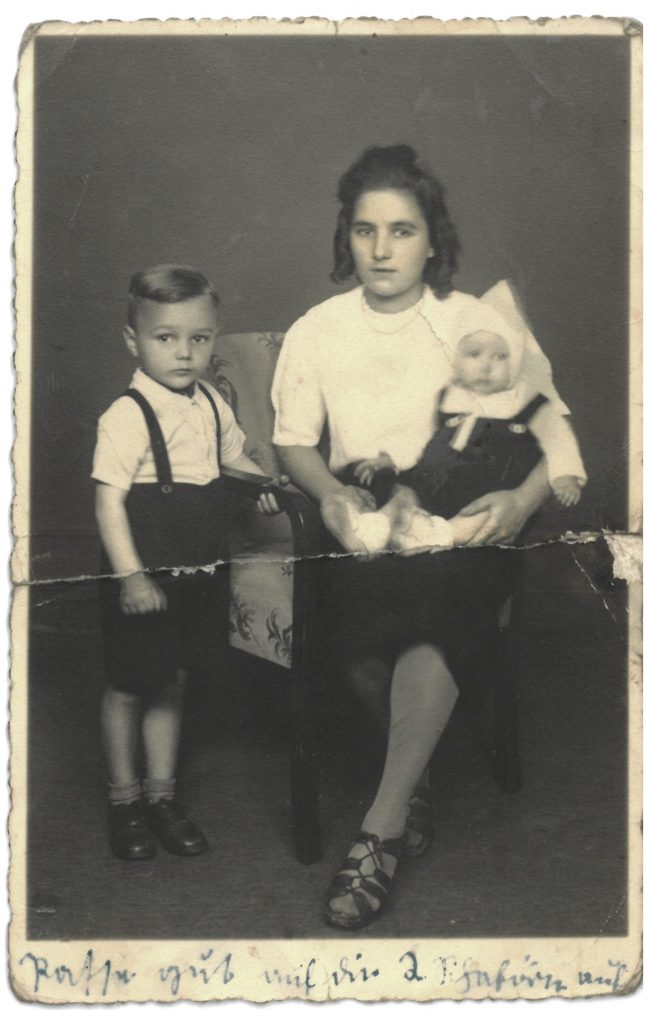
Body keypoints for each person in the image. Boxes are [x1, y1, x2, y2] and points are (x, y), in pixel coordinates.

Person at [271, 145, 579, 930]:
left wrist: (520, 494)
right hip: (369, 522)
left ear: (432, 239)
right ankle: (414, 787)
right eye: (366, 230)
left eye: (401, 231)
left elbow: (551, 429)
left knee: (441, 600)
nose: (382, 249)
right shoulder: (318, 328)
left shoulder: (474, 322)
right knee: (365, 627)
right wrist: (334, 493)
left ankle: (377, 831)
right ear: (347, 236)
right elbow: (294, 442)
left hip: (466, 524)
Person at [93, 264, 277, 861]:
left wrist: (259, 485)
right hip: (142, 574)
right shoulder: (126, 414)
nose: (183, 353)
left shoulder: (210, 404)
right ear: (133, 342)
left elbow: (233, 460)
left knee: (172, 679)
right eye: (165, 338)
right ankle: (124, 802)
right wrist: (131, 576)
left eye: (198, 339)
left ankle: (161, 797)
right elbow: (109, 501)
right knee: (128, 685)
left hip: (197, 569)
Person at [331, 299, 587, 554]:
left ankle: (440, 535)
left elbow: (560, 438)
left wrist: (565, 475)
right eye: (474, 354)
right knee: (402, 493)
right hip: (431, 484)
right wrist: (391, 458)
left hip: (483, 490)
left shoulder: (527, 402)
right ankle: (376, 529)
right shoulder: (449, 397)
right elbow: (418, 435)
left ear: (516, 361)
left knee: (480, 516)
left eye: (500, 356)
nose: (485, 366)